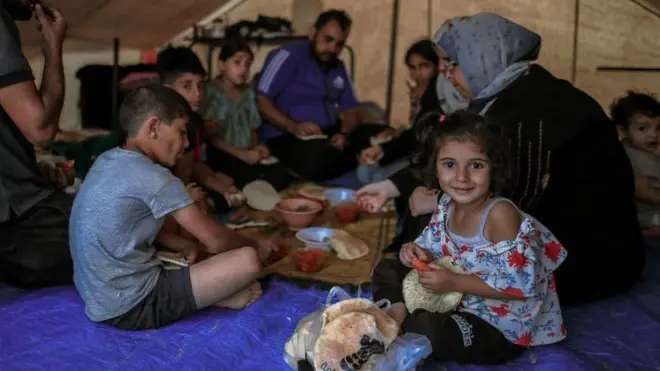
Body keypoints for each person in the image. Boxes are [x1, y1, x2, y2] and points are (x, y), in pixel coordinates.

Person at [434, 13, 644, 304]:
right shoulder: (517, 92)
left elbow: (512, 198)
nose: (448, 74)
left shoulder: (529, 109)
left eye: (455, 63)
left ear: (484, 57)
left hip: (591, 264)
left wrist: (439, 207)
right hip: (589, 250)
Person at [69, 85, 281, 330]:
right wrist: (257, 245)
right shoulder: (154, 176)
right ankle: (214, 297)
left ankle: (212, 292)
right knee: (247, 261)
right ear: (153, 127)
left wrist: (185, 245)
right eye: (182, 131)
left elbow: (126, 230)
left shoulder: (107, 160)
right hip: (132, 305)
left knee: (198, 253)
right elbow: (216, 241)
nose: (187, 141)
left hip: (96, 296)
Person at [370, 111, 567, 364]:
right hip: (454, 297)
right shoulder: (446, 204)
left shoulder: (500, 215)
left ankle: (407, 324)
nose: (462, 177)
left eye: (476, 165)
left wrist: (454, 282)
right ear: (435, 166)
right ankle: (396, 316)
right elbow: (432, 247)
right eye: (449, 164)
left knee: (430, 329)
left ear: (494, 167)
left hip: (497, 325)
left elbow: (519, 287)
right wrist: (417, 253)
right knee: (388, 267)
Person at [256, 9, 383, 181]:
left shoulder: (338, 66)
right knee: (320, 162)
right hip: (286, 135)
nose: (332, 48)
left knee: (381, 135)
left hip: (328, 133)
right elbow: (261, 99)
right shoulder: (287, 55)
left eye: (339, 44)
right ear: (312, 32)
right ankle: (357, 159)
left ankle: (355, 157)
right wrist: (293, 126)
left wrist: (344, 134)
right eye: (328, 39)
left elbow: (352, 109)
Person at [0, 1, 72, 288]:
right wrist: (53, 49)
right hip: (13, 221)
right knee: (113, 223)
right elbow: (40, 129)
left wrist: (29, 167)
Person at [156, 46, 246, 253]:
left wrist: (217, 186)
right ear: (165, 88)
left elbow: (188, 168)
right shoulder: (155, 127)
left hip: (177, 193)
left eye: (200, 85)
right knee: (195, 216)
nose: (197, 94)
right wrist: (180, 196)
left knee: (208, 202)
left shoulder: (194, 123)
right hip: (154, 204)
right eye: (187, 85)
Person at [200, 38, 291, 190]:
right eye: (237, 62)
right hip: (223, 153)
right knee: (245, 176)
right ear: (222, 65)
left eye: (247, 65)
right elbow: (210, 138)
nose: (243, 69)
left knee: (280, 174)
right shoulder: (212, 92)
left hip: (246, 154)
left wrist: (257, 150)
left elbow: (253, 129)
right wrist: (241, 154)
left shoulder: (248, 93)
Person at [357, 39, 442, 185]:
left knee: (378, 178)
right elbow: (414, 128)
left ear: (436, 67)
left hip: (428, 156)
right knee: (364, 172)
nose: (418, 74)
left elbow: (421, 137)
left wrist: (384, 149)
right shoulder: (420, 92)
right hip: (411, 147)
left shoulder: (439, 94)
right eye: (413, 68)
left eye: (424, 66)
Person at [611, 91, 660, 229]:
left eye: (658, 128)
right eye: (643, 128)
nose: (653, 135)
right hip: (643, 222)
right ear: (622, 130)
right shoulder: (624, 154)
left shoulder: (650, 151)